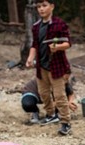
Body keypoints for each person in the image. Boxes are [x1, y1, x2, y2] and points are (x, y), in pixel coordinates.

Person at [25, 0, 73, 136]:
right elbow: (34, 44)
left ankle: (65, 122)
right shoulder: (36, 26)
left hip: (57, 66)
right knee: (44, 93)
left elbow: (68, 42)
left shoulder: (59, 24)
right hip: (41, 66)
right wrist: (30, 57)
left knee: (59, 95)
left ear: (52, 7)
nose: (41, 9)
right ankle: (51, 115)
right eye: (39, 7)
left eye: (44, 6)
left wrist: (57, 47)